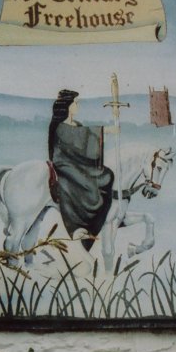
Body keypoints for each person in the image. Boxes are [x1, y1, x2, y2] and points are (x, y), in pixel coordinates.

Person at [47, 89, 113, 245]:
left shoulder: (76, 124)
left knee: (107, 175)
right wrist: (105, 131)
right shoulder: (61, 126)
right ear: (67, 106)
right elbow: (79, 136)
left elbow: (85, 143)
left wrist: (102, 134)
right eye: (75, 103)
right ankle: (78, 225)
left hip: (77, 161)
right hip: (64, 163)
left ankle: (95, 222)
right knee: (89, 185)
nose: (77, 106)